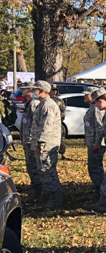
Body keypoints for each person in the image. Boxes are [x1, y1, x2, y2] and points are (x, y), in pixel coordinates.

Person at [30, 80, 62, 208]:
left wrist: (40, 144)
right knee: (44, 170)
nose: (33, 92)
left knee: (47, 170)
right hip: (44, 144)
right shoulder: (43, 104)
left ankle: (55, 199)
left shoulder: (48, 105)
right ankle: (50, 196)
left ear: (42, 91)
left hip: (47, 145)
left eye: (35, 90)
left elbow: (46, 126)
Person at [83, 87, 106, 195]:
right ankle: (99, 188)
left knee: (95, 167)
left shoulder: (96, 109)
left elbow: (100, 127)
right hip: (92, 142)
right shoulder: (92, 107)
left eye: (86, 94)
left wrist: (97, 143)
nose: (84, 96)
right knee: (93, 167)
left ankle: (101, 190)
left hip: (96, 144)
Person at [20, 83, 41, 198]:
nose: (22, 91)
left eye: (24, 89)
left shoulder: (34, 104)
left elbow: (36, 123)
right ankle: (35, 187)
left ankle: (37, 190)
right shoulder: (28, 103)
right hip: (27, 139)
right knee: (30, 165)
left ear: (31, 90)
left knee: (33, 165)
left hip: (31, 140)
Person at [48, 86, 67, 160]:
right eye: (53, 90)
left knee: (60, 139)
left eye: (56, 90)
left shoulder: (58, 101)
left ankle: (62, 153)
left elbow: (63, 111)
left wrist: (59, 120)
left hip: (57, 123)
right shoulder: (45, 100)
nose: (54, 91)